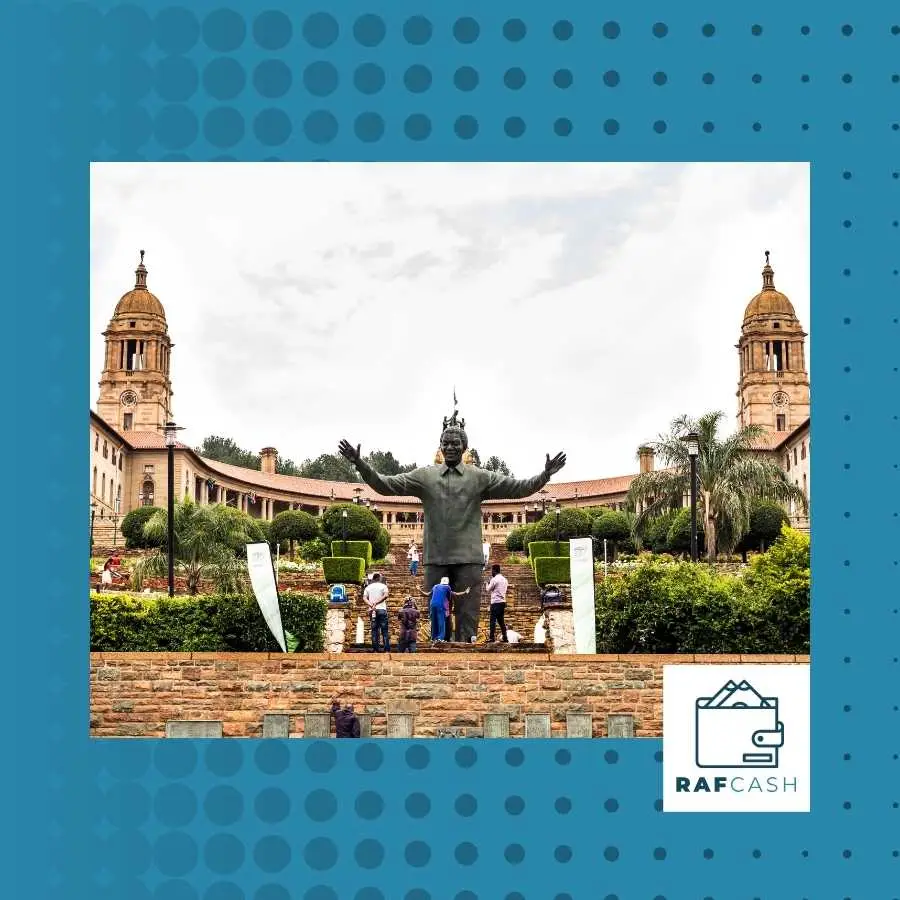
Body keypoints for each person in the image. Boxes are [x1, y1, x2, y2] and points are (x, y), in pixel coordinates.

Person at [338, 428, 565, 642]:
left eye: (455, 443)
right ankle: (440, 657)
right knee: (437, 616)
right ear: (440, 446)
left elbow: (518, 488)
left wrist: (544, 475)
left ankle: (466, 664)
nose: (450, 447)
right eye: (445, 443)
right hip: (436, 557)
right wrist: (360, 463)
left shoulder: (479, 477)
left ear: (464, 447)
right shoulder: (425, 476)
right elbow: (386, 485)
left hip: (469, 558)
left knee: (468, 622)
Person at [419, 577, 469, 644]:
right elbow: (454, 594)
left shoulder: (435, 586)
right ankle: (440, 638)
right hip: (440, 605)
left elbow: (427, 594)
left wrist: (419, 590)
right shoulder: (447, 587)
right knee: (441, 622)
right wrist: (465, 592)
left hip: (432, 605)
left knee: (434, 621)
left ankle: (433, 638)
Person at [363, 572, 391, 652]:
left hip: (373, 610)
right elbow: (385, 595)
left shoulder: (368, 587)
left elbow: (364, 598)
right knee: (384, 630)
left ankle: (375, 649)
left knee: (374, 630)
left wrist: (371, 605)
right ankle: (386, 650)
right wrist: (377, 603)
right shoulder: (383, 586)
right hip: (382, 609)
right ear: (379, 578)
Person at [485, 564, 510, 642]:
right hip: (502, 602)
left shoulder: (494, 579)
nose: (491, 572)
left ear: (494, 571)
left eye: (492, 571)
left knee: (492, 620)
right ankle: (505, 637)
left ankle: (492, 638)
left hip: (495, 602)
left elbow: (488, 589)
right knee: (501, 621)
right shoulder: (505, 580)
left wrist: (486, 583)